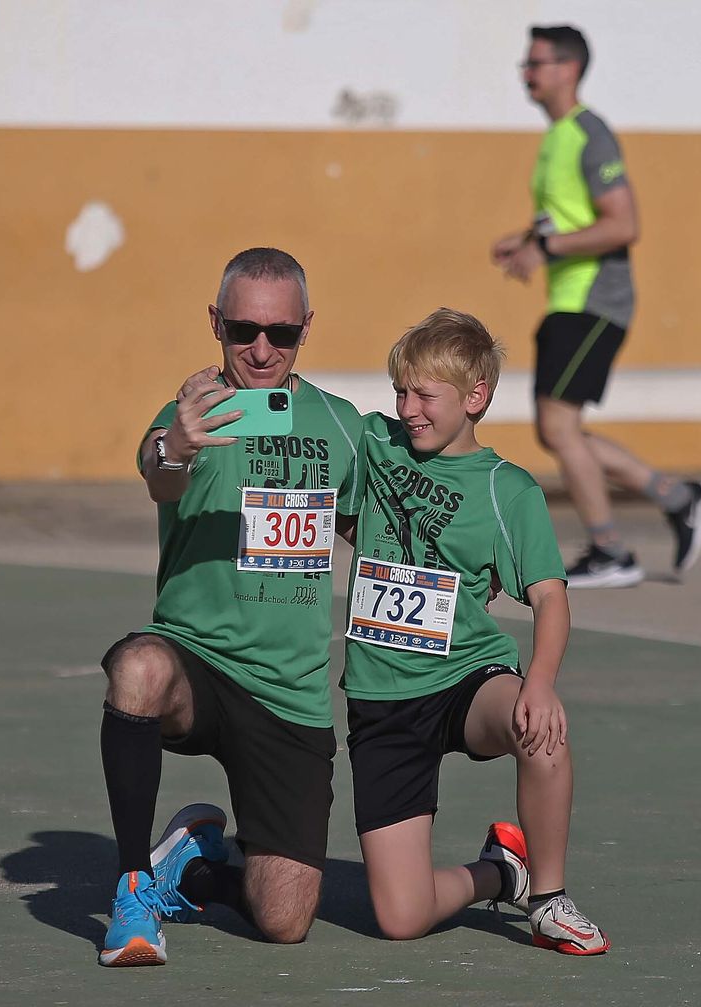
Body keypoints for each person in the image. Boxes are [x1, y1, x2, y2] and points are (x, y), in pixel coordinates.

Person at [97, 247, 364, 966]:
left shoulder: (343, 426)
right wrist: (178, 443)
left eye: (281, 333)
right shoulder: (190, 412)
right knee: (137, 667)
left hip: (289, 695)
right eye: (244, 328)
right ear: (215, 322)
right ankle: (133, 889)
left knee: (285, 919)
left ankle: (195, 865)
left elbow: (371, 531)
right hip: (198, 667)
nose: (261, 347)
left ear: (307, 328)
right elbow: (160, 473)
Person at [337, 307, 609, 955]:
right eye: (400, 391)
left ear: (475, 397)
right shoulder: (374, 444)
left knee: (539, 727)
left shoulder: (507, 489)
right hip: (382, 699)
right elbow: (339, 481)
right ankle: (500, 871)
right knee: (401, 918)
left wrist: (538, 681)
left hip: (466, 676)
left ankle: (547, 897)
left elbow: (550, 597)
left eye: (424, 394)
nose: (407, 408)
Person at [491, 23, 701, 589]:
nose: (526, 73)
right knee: (559, 428)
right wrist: (526, 240)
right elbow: (568, 218)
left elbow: (624, 223)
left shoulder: (591, 134)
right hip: (568, 298)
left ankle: (611, 550)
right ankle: (678, 496)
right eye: (526, 63)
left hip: (595, 299)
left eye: (536, 63)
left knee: (558, 424)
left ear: (568, 69)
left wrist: (543, 247)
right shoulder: (556, 138)